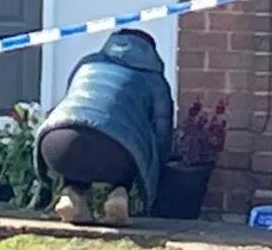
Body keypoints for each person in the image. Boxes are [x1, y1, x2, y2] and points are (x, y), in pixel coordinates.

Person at [33, 28, 173, 226]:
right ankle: (119, 194)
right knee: (129, 145)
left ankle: (72, 196)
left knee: (81, 144)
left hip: (55, 141)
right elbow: (161, 136)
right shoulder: (155, 81)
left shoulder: (88, 63)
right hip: (114, 152)